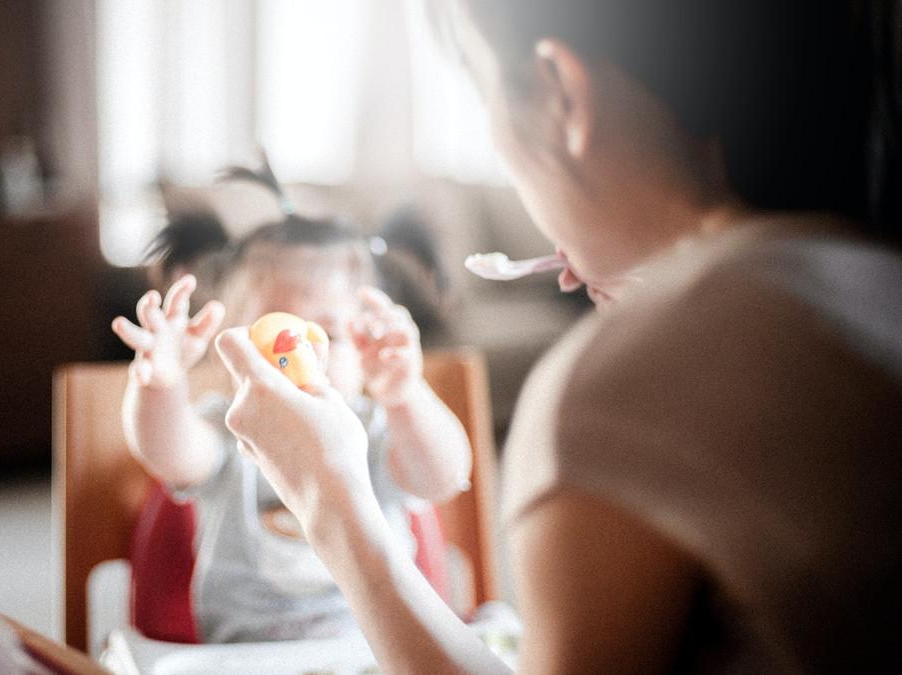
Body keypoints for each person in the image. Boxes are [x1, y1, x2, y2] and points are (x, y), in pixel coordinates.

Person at [212, 0, 902, 672]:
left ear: (560, 93)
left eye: (482, 95)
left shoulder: (607, 394)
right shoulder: (874, 280)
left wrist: (331, 500)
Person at [109, 167, 472, 643]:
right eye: (275, 334)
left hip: (380, 652)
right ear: (227, 343)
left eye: (328, 335)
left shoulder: (378, 431)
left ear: (366, 350)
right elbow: (166, 450)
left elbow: (444, 476)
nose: (300, 358)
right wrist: (162, 383)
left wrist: (406, 395)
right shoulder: (231, 427)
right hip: (245, 658)